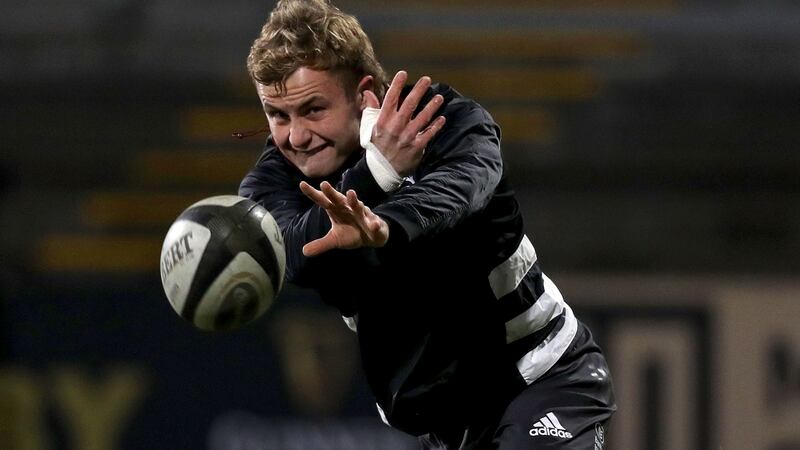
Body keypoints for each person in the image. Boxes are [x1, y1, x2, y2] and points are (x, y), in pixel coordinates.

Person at [238, 0, 616, 448]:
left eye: (314, 109)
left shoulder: (444, 119)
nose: (295, 137)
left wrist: (386, 223)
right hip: (441, 424)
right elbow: (293, 253)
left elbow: (460, 190)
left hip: (538, 378)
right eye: (278, 116)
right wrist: (375, 174)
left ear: (364, 95)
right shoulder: (273, 180)